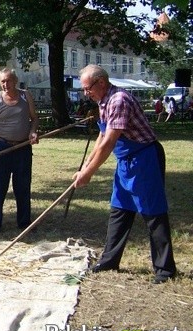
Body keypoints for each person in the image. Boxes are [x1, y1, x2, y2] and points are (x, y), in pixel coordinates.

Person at [73, 64, 177, 284]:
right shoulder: (103, 101)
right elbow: (101, 138)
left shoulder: (119, 100)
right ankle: (109, 261)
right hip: (126, 161)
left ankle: (165, 270)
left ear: (101, 82)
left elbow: (110, 141)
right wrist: (86, 166)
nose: (86, 93)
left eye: (87, 88)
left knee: (153, 212)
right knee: (119, 210)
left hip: (144, 158)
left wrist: (89, 174)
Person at [0, 68, 39, 235]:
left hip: (23, 148)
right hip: (2, 148)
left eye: (8, 80)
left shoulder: (25, 96)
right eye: (2, 81)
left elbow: (34, 118)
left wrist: (33, 132)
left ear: (15, 80)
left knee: (22, 187)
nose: (5, 84)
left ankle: (24, 223)